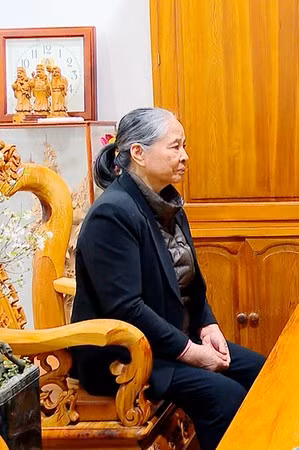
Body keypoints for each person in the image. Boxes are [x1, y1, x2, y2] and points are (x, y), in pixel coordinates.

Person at [71, 107, 265, 450]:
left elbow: (191, 284)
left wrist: (208, 327)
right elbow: (127, 308)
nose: (185, 156)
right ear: (138, 153)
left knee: (265, 371)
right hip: (126, 356)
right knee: (225, 396)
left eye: (184, 146)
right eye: (174, 147)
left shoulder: (167, 203)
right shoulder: (112, 214)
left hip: (174, 340)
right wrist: (191, 352)